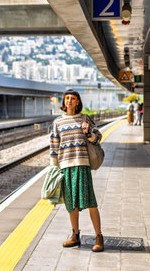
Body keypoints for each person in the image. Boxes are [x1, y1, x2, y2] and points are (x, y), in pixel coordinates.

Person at [50, 89, 104, 252]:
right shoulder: (57, 123)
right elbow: (54, 146)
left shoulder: (84, 118)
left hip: (82, 165)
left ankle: (99, 236)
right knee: (70, 203)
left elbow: (97, 137)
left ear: (78, 102)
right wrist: (54, 168)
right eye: (67, 98)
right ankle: (75, 234)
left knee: (91, 202)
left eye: (73, 98)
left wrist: (88, 131)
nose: (69, 101)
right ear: (64, 102)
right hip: (65, 167)